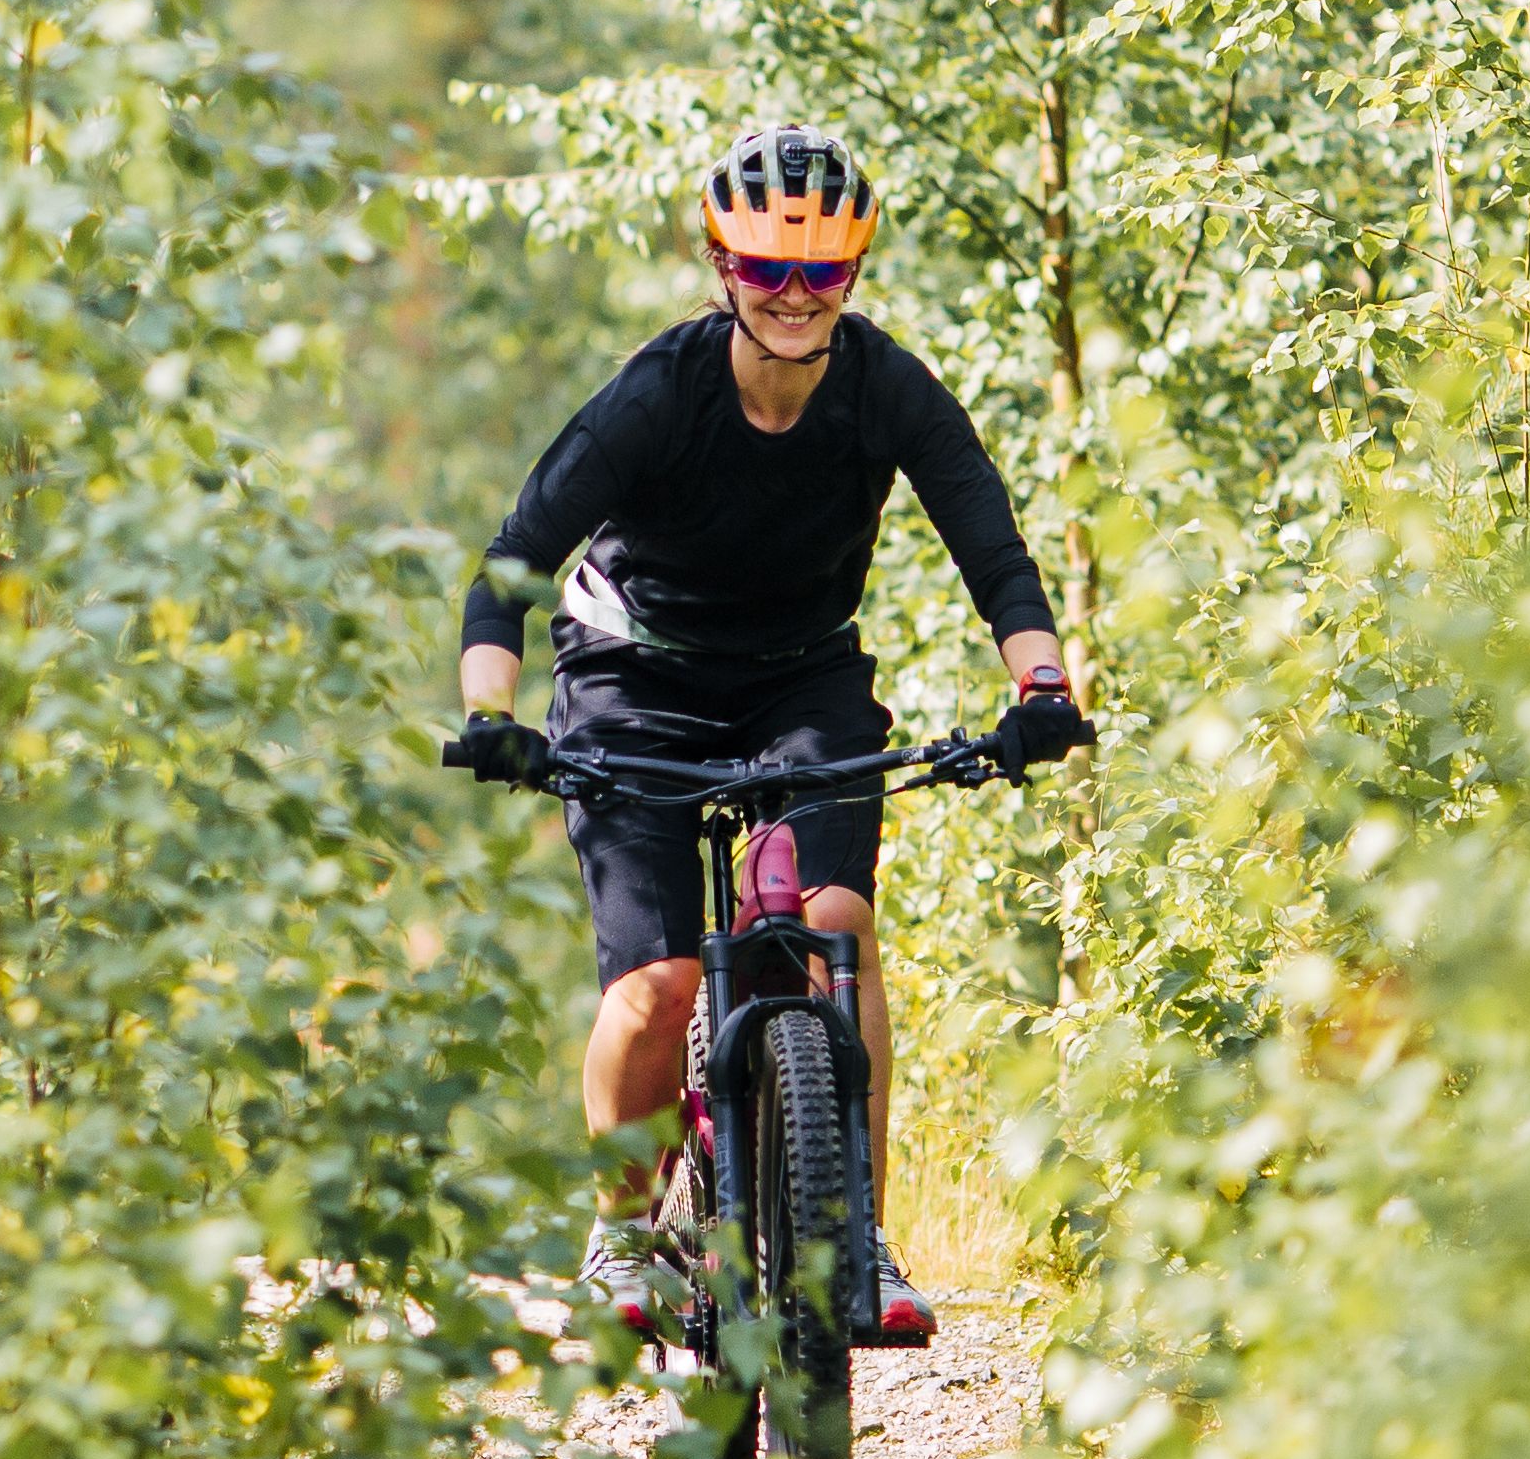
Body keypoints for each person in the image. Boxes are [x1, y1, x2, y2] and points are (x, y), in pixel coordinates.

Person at [440, 123, 1091, 1330]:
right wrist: (491, 712)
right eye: (767, 272)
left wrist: (1041, 690)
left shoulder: (886, 389)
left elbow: (991, 550)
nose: (794, 299)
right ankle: (624, 1230)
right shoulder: (658, 394)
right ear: (721, 265)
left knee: (835, 925)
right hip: (637, 676)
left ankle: (860, 1240)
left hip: (801, 680)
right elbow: (514, 566)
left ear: (853, 276)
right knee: (661, 982)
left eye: (823, 275)